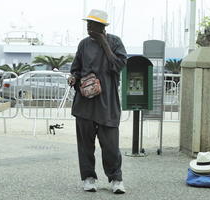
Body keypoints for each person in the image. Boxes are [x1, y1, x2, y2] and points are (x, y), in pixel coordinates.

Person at [68, 9, 127, 194]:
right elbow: (76, 69)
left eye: (92, 23)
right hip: (85, 103)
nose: (88, 26)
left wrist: (104, 44)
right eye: (87, 23)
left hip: (107, 103)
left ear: (101, 27)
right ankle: (88, 177)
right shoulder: (83, 44)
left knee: (110, 144)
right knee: (85, 144)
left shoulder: (115, 42)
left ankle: (116, 179)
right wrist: (73, 78)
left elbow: (118, 65)